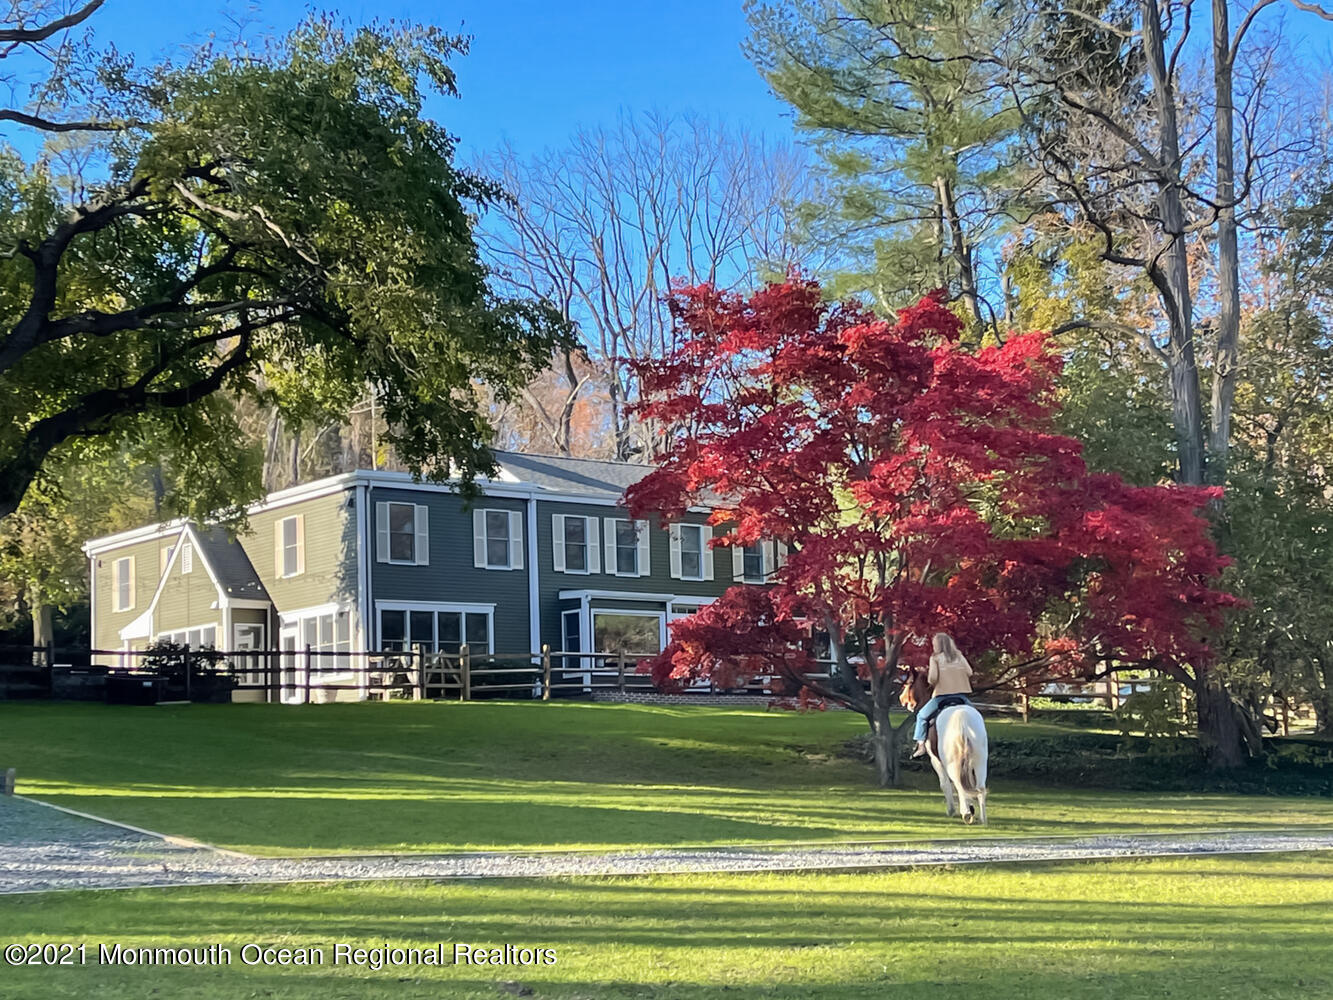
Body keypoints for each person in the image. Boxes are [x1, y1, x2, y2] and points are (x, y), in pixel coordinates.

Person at [912, 633, 974, 758]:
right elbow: (969, 672)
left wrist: (932, 680)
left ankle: (921, 745)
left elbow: (933, 678)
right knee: (975, 717)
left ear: (938, 645)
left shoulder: (935, 658)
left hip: (942, 696)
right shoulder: (959, 656)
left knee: (922, 717)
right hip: (961, 696)